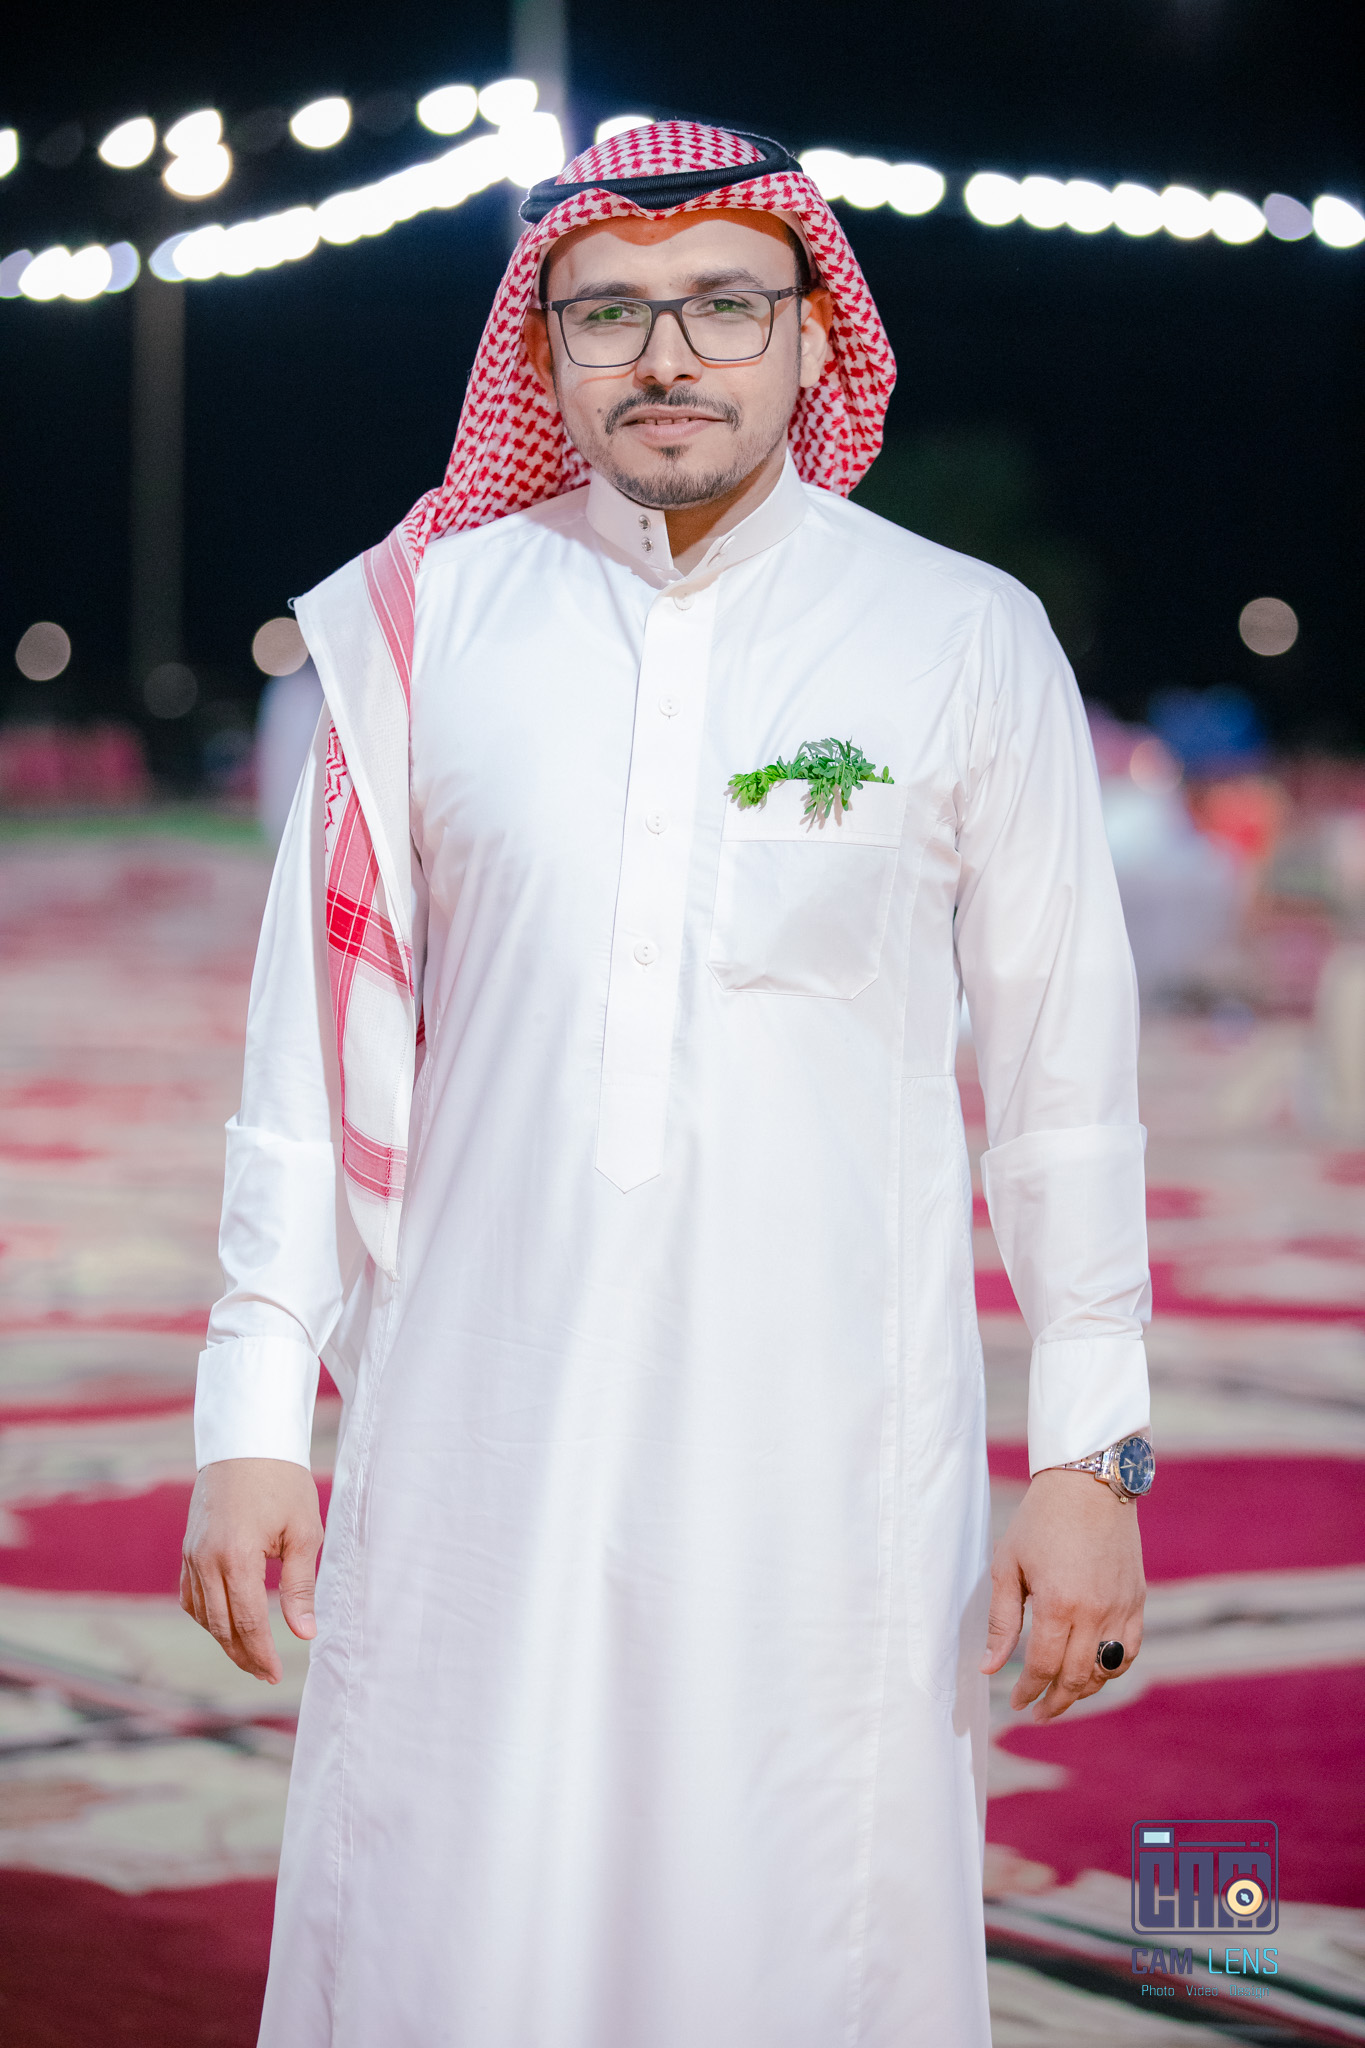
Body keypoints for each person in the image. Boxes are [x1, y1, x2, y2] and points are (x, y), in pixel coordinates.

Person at [181, 122, 1152, 2047]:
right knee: (451, 1899)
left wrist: (1089, 1458)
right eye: (607, 315)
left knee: (794, 1917)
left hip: (829, 1458)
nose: (666, 355)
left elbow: (1066, 1089)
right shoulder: (421, 630)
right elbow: (299, 1061)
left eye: (722, 303)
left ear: (813, 334)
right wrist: (253, 1412)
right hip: (475, 1431)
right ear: (540, 353)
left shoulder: (959, 637)